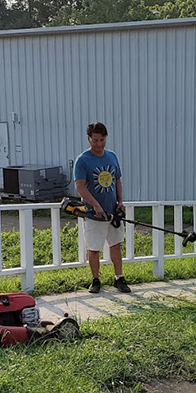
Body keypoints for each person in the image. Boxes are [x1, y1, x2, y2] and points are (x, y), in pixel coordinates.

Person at [74, 122, 131, 294]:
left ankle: (119, 278)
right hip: (93, 214)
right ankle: (95, 280)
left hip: (113, 212)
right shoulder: (83, 160)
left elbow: (117, 180)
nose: (98, 144)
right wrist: (96, 205)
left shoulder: (112, 156)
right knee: (94, 248)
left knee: (116, 244)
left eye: (102, 140)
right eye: (95, 140)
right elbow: (80, 187)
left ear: (106, 138)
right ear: (89, 139)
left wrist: (120, 201)